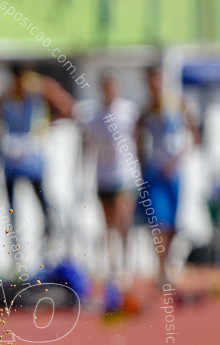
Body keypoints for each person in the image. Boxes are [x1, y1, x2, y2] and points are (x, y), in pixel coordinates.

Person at [0, 64, 73, 266]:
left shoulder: (39, 89)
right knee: (11, 211)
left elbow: (68, 107)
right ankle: (15, 254)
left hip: (33, 161)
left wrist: (47, 122)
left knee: (42, 202)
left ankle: (51, 242)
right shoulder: (6, 95)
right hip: (10, 163)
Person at [78, 71, 139, 311]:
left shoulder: (129, 112)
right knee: (108, 224)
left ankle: (125, 265)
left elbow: (139, 138)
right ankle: (112, 266)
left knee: (124, 221)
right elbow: (87, 143)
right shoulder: (94, 115)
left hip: (124, 175)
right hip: (103, 177)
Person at [137, 66, 194, 289]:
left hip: (175, 172)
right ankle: (160, 270)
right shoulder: (146, 109)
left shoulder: (178, 103)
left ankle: (167, 264)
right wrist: (142, 165)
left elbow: (192, 134)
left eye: (159, 81)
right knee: (157, 222)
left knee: (172, 224)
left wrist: (178, 159)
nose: (156, 86)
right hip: (155, 172)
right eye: (152, 82)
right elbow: (138, 139)